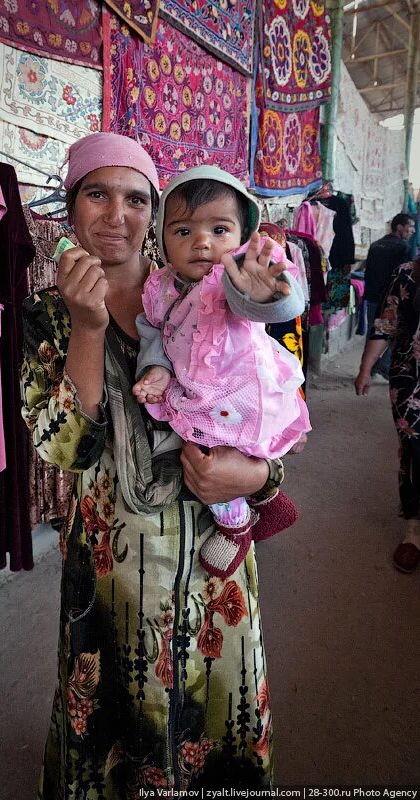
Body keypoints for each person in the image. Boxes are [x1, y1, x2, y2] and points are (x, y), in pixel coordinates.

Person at [21, 133, 287, 797]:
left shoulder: (214, 296)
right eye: (96, 194)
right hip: (112, 581)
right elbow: (64, 449)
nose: (116, 214)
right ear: (70, 207)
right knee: (117, 724)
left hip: (212, 565)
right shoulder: (46, 315)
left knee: (213, 716)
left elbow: (268, 416)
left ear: (156, 212)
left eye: (135, 198)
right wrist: (87, 329)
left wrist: (254, 480)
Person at [132, 166, 311, 579]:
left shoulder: (234, 277)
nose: (202, 242)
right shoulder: (160, 288)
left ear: (241, 235)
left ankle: (235, 527)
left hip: (242, 392)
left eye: (219, 229)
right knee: (201, 458)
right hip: (197, 394)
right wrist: (156, 368)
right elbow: (153, 332)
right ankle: (263, 506)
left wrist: (267, 293)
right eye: (182, 231)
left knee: (221, 458)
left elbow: (274, 304)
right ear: (161, 239)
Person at [355, 254, 420, 574]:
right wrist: (365, 369)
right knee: (414, 449)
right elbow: (385, 324)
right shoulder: (407, 274)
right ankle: (413, 529)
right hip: (411, 379)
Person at [363, 213, 415, 380]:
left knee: (374, 333)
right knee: (395, 334)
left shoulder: (376, 245)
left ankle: (368, 368)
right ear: (399, 227)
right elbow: (405, 280)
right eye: (410, 226)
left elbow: (368, 273)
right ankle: (381, 365)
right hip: (391, 300)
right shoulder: (403, 248)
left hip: (372, 297)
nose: (413, 230)